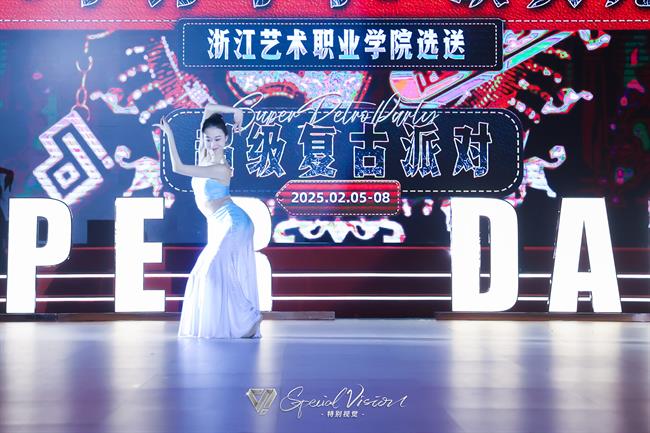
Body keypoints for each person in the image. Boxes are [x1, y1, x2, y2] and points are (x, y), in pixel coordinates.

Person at [156, 105, 262, 338]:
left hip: (233, 222)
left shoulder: (220, 168)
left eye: (218, 139)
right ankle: (237, 323)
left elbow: (177, 167)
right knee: (204, 273)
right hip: (219, 223)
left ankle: (248, 318)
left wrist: (170, 134)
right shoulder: (204, 157)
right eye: (208, 139)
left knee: (212, 270)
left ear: (226, 139)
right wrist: (236, 112)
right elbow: (209, 109)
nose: (213, 143)